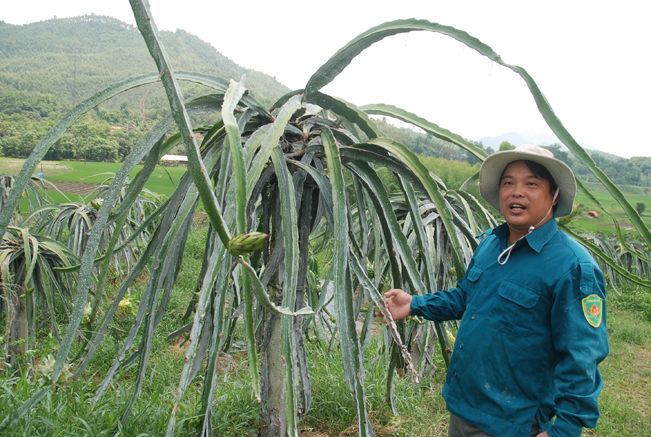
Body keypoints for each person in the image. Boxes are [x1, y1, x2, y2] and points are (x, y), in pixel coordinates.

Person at [378, 145, 608, 437]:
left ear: (555, 196)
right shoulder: (490, 245)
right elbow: (465, 297)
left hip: (515, 423)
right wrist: (414, 304)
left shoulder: (572, 267)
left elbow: (582, 357)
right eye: (508, 182)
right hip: (464, 406)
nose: (516, 191)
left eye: (532, 183)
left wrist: (563, 429)